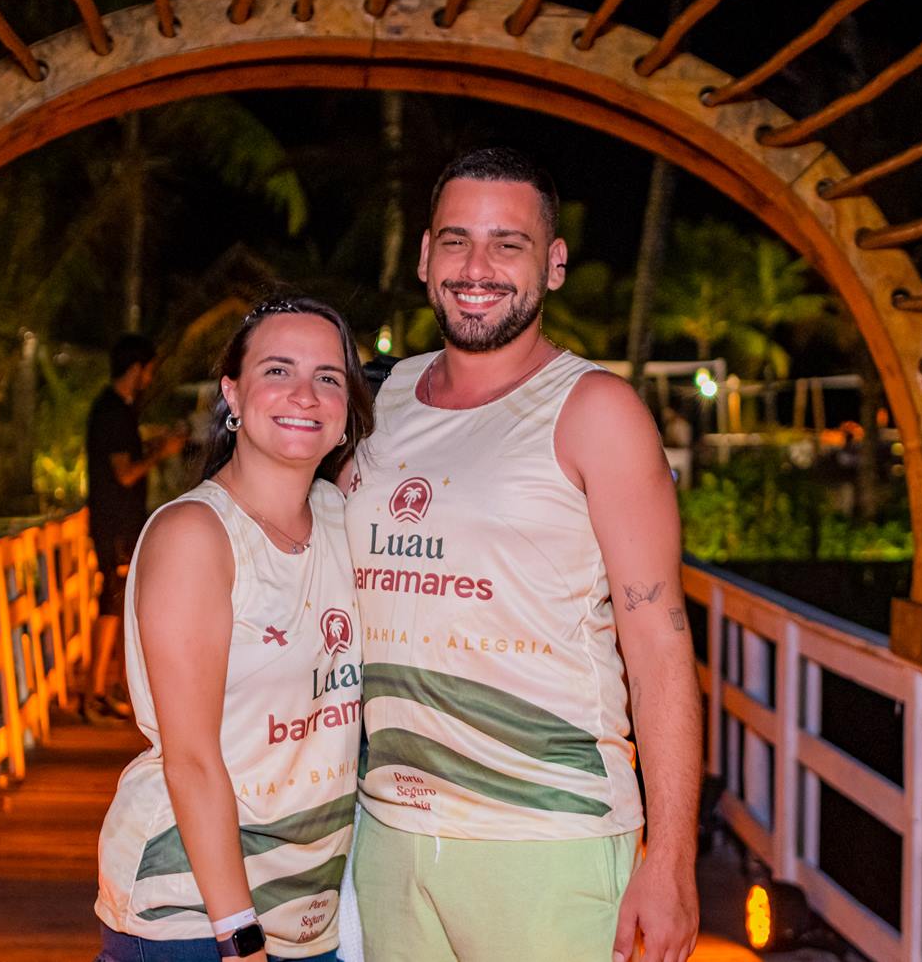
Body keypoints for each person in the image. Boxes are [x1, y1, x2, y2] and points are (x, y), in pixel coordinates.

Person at [344, 148, 703, 962]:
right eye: (457, 241)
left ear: (555, 263)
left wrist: (673, 858)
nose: (478, 268)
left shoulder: (596, 409)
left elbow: (659, 642)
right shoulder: (380, 400)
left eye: (509, 244)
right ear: (425, 256)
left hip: (548, 836)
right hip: (392, 832)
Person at [95, 297, 374, 962]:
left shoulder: (341, 514)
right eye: (278, 370)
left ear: (346, 410)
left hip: (308, 911)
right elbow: (191, 757)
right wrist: (239, 933)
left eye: (328, 377)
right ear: (233, 395)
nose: (305, 393)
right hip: (195, 912)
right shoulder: (196, 535)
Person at [84, 334, 186, 721]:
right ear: (136, 368)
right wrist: (162, 453)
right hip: (115, 523)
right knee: (112, 601)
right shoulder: (113, 411)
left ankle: (107, 688)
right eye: (149, 369)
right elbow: (125, 474)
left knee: (117, 601)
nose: (150, 377)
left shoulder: (120, 409)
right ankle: (93, 694)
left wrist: (154, 445)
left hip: (120, 522)